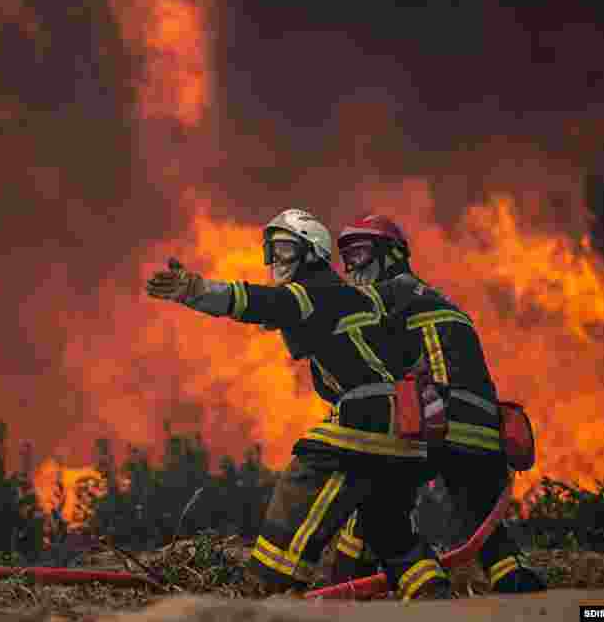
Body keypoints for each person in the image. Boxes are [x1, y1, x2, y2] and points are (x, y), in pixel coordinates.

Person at [145, 209, 451, 600]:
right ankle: (432, 594)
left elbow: (258, 302)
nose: (276, 262)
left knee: (300, 483)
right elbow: (407, 355)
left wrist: (197, 290)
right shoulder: (353, 298)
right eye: (271, 252)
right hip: (405, 429)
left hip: (368, 418)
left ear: (313, 253)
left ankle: (268, 592)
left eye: (286, 250)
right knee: (386, 526)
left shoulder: (313, 289)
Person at [330, 214, 546, 593]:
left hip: (436, 421)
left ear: (392, 255)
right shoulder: (436, 298)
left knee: (378, 502)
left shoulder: (382, 296)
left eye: (361, 254)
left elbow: (360, 363)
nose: (352, 268)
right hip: (483, 429)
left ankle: (419, 580)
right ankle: (513, 577)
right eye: (347, 258)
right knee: (479, 512)